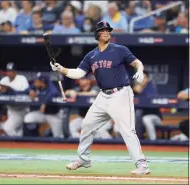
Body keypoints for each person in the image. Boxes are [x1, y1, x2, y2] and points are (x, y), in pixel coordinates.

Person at [50, 21, 150, 175]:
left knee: (127, 130)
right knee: (87, 125)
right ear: (96, 34)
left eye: (108, 30)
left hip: (121, 93)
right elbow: (78, 73)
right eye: (103, 30)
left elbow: (136, 62)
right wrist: (61, 69)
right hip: (103, 96)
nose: (106, 32)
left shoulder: (119, 49)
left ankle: (142, 164)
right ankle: (83, 159)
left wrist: (140, 69)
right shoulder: (91, 55)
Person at [24, 73, 64, 138]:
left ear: (42, 82)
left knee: (58, 136)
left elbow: (54, 93)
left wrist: (45, 103)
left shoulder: (51, 86)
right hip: (42, 114)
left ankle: (51, 133)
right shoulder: (36, 86)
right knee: (28, 118)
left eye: (37, 81)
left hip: (54, 115)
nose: (35, 83)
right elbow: (25, 90)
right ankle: (35, 136)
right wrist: (30, 91)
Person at [0, 62, 29, 136]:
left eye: (11, 71)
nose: (9, 73)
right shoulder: (4, 80)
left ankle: (19, 144)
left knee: (8, 128)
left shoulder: (22, 79)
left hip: (21, 110)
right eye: (8, 71)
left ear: (15, 72)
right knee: (18, 131)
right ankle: (19, 144)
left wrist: (10, 90)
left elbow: (26, 92)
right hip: (11, 110)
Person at [133, 71, 162, 140]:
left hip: (154, 116)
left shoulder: (151, 88)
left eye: (144, 77)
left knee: (146, 119)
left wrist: (140, 92)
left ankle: (153, 142)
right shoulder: (133, 87)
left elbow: (150, 100)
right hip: (138, 117)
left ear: (147, 79)